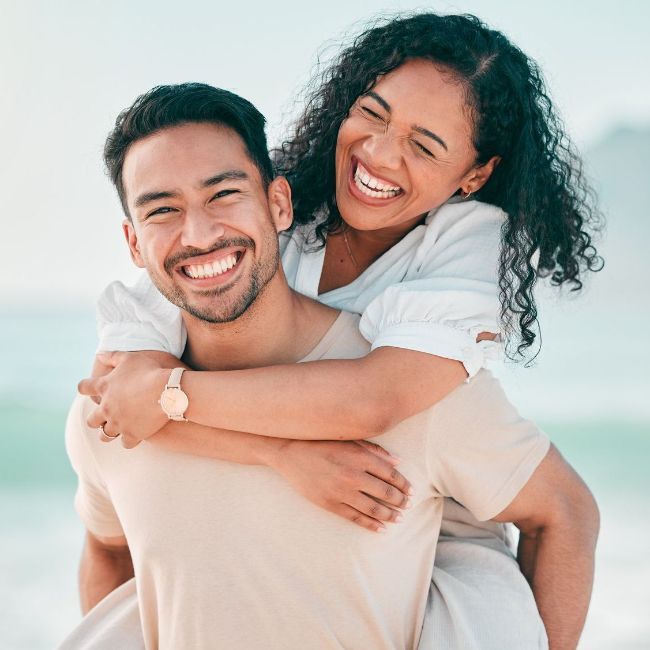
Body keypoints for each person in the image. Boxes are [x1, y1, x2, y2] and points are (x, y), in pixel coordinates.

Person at [80, 12, 602, 648]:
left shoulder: (463, 249)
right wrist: (280, 456)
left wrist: (167, 395)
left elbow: (373, 400)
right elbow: (123, 393)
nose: (379, 153)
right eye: (373, 114)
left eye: (425, 144)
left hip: (441, 531)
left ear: (472, 177)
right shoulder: (277, 218)